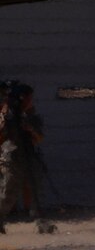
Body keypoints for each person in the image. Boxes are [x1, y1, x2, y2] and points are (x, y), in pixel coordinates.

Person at [0, 82, 46, 233]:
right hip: (11, 157)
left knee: (34, 190)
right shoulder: (7, 115)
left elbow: (39, 138)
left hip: (29, 156)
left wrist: (30, 129)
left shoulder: (31, 116)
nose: (30, 101)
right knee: (9, 192)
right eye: (28, 98)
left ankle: (40, 222)